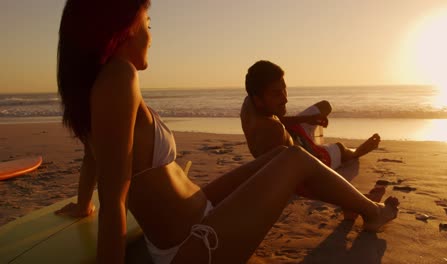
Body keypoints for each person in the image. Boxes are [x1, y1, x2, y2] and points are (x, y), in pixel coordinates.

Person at [55, 1, 399, 263]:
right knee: (295, 158)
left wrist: (83, 205)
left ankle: (356, 206)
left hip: (198, 211)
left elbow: (93, 157)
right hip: (191, 244)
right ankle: (372, 213)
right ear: (125, 27)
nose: (151, 33)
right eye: (148, 22)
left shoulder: (95, 87)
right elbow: (114, 199)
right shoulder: (119, 77)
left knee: (281, 155)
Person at [241, 60, 381, 170]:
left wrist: (310, 119)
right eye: (276, 94)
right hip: (310, 154)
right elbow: (297, 176)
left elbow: (277, 120)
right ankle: (356, 152)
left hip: (292, 133)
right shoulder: (273, 131)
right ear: (258, 99)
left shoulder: (249, 104)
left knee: (324, 106)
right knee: (340, 148)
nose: (285, 99)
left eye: (284, 90)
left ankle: (313, 135)